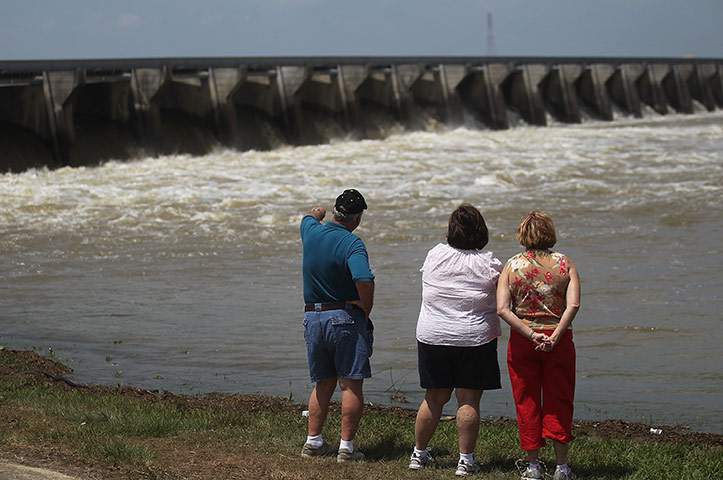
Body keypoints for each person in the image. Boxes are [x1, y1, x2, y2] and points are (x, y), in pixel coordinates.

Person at [408, 204, 503, 477]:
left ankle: (418, 454)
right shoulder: (490, 263)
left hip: (433, 334)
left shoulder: (435, 254)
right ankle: (465, 461)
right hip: (474, 338)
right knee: (469, 400)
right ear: (481, 231)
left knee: (434, 397)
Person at [496, 211, 581, 480]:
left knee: (526, 399)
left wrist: (530, 334)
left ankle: (533, 466)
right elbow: (574, 304)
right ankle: (561, 467)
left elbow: (502, 309)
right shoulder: (565, 263)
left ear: (523, 235)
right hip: (559, 341)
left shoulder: (512, 265)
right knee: (560, 399)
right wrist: (555, 335)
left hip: (524, 342)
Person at [299, 189, 375, 463]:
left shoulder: (310, 232)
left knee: (322, 384)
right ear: (358, 219)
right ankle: (347, 448)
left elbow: (310, 215)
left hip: (313, 317)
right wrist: (365, 309)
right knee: (351, 385)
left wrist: (318, 212)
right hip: (342, 317)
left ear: (335, 210)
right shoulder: (352, 244)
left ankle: (314, 441)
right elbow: (364, 279)